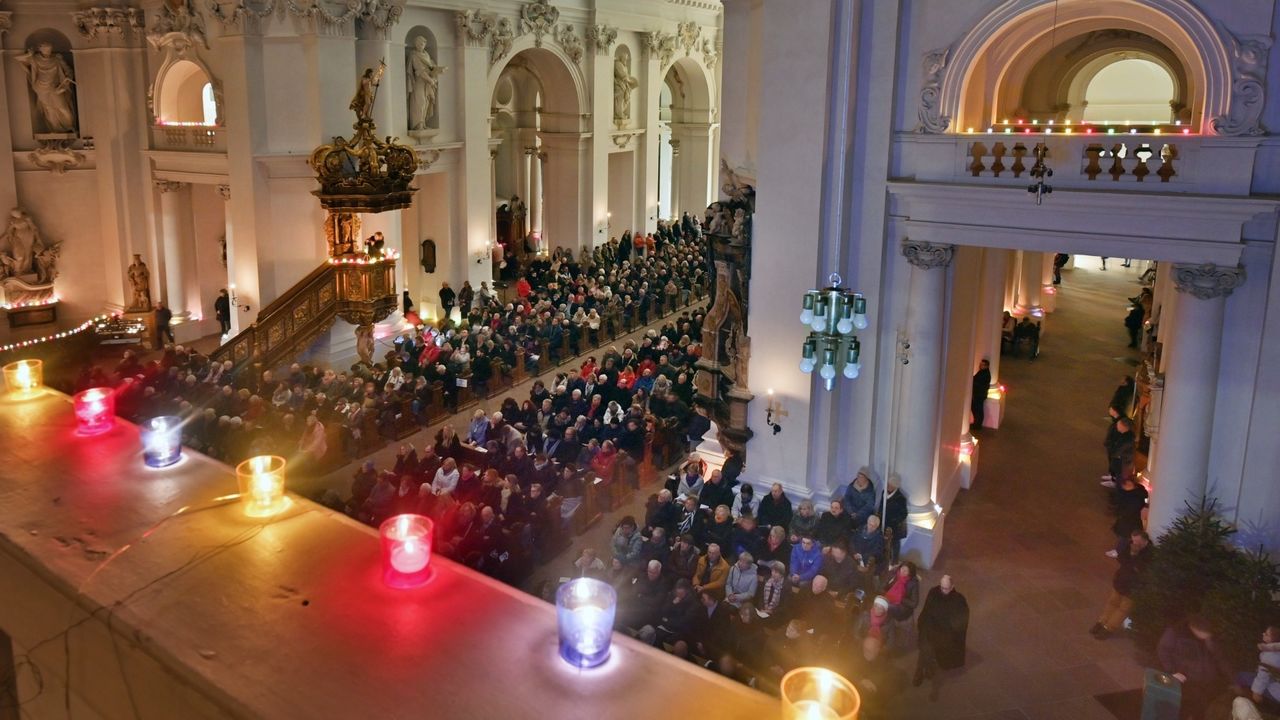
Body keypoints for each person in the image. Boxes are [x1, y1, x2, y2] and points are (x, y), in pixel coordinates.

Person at [1158, 614, 1233, 720]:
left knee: (1200, 711)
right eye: (1205, 634)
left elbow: (1220, 658)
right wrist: (1172, 671)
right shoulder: (1176, 632)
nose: (1208, 637)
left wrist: (1232, 680)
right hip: (1187, 681)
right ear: (1195, 629)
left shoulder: (1209, 637)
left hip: (1207, 683)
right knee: (1182, 710)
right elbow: (1163, 650)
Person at [913, 574, 970, 700]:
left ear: (952, 587)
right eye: (942, 587)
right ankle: (922, 669)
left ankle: (924, 669)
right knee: (925, 647)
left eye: (946, 588)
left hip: (945, 633)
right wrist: (923, 625)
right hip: (930, 628)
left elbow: (959, 622)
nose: (943, 590)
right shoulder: (934, 592)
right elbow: (927, 611)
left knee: (929, 648)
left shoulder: (958, 600)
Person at [1092, 529, 1152, 639]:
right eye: (1133, 540)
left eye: (1137, 542)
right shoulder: (1129, 545)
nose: (1134, 544)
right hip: (1121, 580)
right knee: (1112, 603)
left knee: (1123, 609)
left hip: (1134, 586)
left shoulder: (1150, 553)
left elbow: (1141, 568)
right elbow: (1121, 559)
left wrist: (1134, 555)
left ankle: (1108, 628)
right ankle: (1101, 623)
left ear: (1145, 542)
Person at [1234, 625, 1280, 712]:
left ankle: (1245, 703)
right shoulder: (1275, 651)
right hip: (1274, 683)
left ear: (1272, 639)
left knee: (1241, 676)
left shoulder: (1271, 655)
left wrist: (1257, 692)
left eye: (1266, 634)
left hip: (1276, 690)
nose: (1263, 634)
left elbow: (1263, 676)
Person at [971, 359, 991, 430]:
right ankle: (976, 423)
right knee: (975, 408)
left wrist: (972, 381)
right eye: (980, 364)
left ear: (986, 366)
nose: (980, 366)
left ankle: (978, 425)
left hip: (980, 395)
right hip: (978, 394)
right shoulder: (982, 372)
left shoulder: (985, 374)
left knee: (978, 410)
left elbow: (978, 383)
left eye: (982, 365)